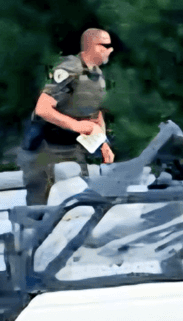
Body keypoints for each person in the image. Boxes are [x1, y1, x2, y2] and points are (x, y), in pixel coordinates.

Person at [18, 28, 116, 205]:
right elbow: (43, 108)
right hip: (45, 148)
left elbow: (95, 114)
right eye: (106, 45)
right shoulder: (70, 69)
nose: (110, 50)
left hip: (73, 149)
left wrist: (103, 144)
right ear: (92, 46)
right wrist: (77, 126)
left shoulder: (97, 77)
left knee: (80, 200)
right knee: (40, 206)